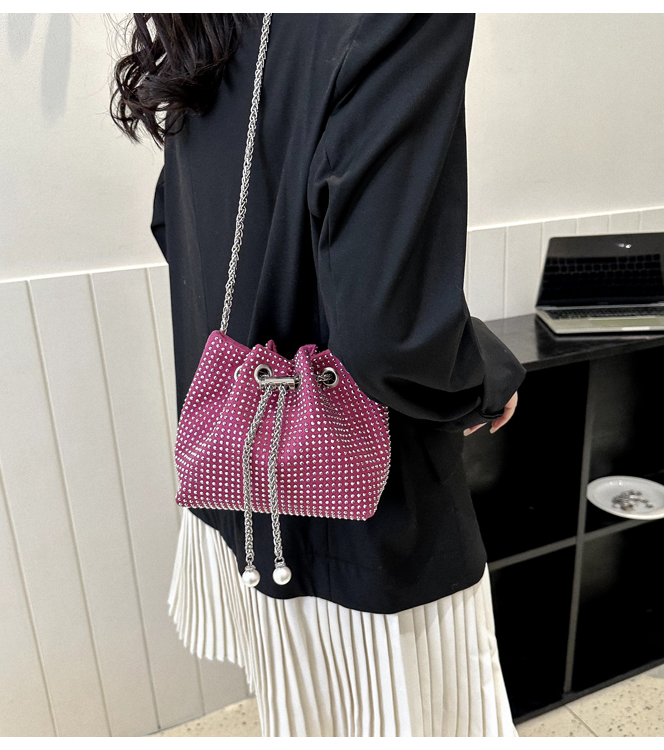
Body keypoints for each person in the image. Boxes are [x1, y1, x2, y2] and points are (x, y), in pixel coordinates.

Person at [111, 13, 526, 737]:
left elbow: (175, 225)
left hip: (245, 480)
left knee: (300, 715)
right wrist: (485, 375)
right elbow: (392, 332)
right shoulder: (400, 18)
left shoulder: (219, 20)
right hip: (367, 524)